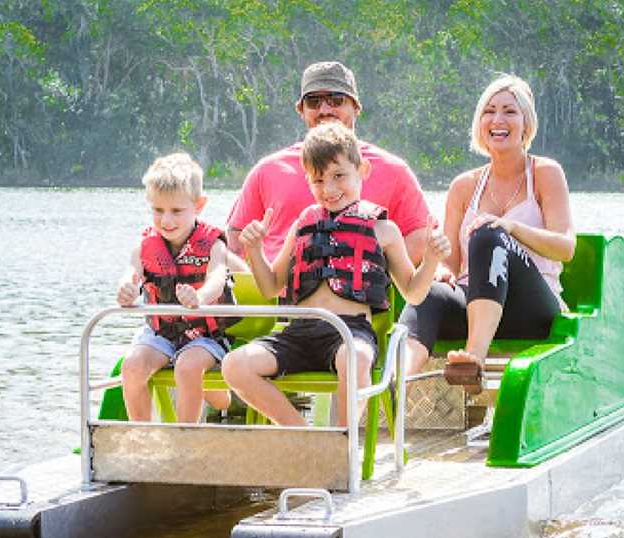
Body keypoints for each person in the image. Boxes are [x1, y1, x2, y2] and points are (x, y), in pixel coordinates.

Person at [221, 123, 451, 426]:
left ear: (363, 170)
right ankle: (307, 438)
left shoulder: (385, 230)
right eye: (318, 180)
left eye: (338, 176)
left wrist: (432, 260)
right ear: (308, 181)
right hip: (298, 334)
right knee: (235, 365)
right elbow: (270, 286)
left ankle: (344, 443)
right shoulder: (302, 224)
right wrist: (255, 250)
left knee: (354, 358)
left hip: (351, 332)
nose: (329, 190)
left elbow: (413, 292)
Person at [399, 74, 576, 384]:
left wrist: (511, 228)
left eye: (509, 111)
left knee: (489, 233)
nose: (498, 119)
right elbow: (452, 262)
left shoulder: (546, 173)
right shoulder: (463, 186)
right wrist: (438, 263)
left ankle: (473, 361)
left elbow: (565, 247)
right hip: (473, 303)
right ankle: (397, 382)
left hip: (530, 310)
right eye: (489, 111)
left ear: (526, 123)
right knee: (429, 293)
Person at [226, 61, 431, 266]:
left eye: (336, 99)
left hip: (365, 292)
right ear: (302, 110)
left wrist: (376, 277)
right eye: (313, 102)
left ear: (356, 107)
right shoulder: (267, 170)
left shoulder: (394, 171)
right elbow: (235, 241)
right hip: (281, 292)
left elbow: (420, 235)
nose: (324, 109)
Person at [116, 152, 234, 422]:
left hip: (204, 337)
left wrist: (199, 296)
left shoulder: (214, 245)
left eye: (177, 211)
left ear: (199, 205)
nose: (166, 221)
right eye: (158, 210)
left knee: (188, 367)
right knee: (132, 367)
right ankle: (143, 438)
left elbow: (217, 279)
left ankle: (184, 439)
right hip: (161, 334)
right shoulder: (145, 246)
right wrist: (126, 289)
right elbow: (131, 273)